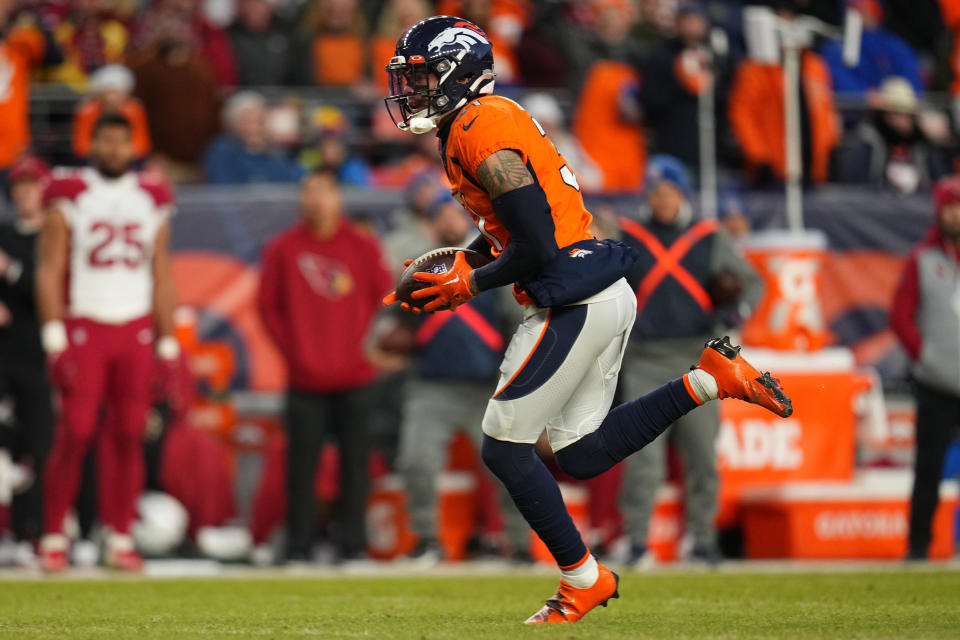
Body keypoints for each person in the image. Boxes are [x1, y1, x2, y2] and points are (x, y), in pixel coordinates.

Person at [381, 15, 792, 625]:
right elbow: (518, 231)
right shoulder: (476, 123)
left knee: (503, 444)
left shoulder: (479, 126)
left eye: (421, 77)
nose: (411, 90)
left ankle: (585, 578)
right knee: (578, 454)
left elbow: (537, 245)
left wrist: (469, 280)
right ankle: (709, 379)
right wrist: (469, 258)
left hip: (573, 296)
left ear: (457, 72)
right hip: (596, 290)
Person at [36, 113, 179, 572]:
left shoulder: (150, 197)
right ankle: (55, 533)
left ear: (132, 145)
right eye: (107, 140)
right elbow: (50, 266)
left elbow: (161, 271)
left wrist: (168, 339)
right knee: (75, 431)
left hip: (134, 325)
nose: (115, 149)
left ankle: (118, 536)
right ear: (92, 143)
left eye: (122, 141)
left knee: (130, 432)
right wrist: (53, 333)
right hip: (86, 323)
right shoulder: (70, 192)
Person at [617, 155, 763, 567]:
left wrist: (740, 312)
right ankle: (636, 541)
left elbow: (754, 281)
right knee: (644, 459)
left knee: (702, 455)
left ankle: (701, 540)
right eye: (655, 192)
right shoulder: (631, 237)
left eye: (669, 191)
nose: (661, 199)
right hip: (645, 359)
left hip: (699, 360)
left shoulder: (708, 238)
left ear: (682, 193)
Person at [257, 170, 394, 562]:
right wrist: (295, 352)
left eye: (326, 192)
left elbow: (380, 298)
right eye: (310, 192)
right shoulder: (282, 248)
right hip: (303, 379)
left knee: (356, 465)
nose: (318, 200)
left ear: (339, 198)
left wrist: (363, 348)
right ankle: (299, 547)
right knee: (300, 468)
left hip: (355, 377)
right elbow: (268, 307)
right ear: (302, 199)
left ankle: (351, 546)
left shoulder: (362, 247)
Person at [394, 193, 528, 564]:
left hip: (486, 386)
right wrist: (396, 338)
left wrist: (515, 377)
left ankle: (519, 543)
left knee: (508, 469)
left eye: (458, 214)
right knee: (417, 461)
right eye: (444, 215)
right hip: (431, 385)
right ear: (434, 222)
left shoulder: (492, 267)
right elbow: (397, 322)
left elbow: (515, 323)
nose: (451, 221)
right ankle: (425, 540)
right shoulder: (416, 270)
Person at [890, 175, 960, 560]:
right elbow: (901, 317)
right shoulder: (923, 259)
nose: (956, 214)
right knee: (928, 469)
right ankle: (918, 546)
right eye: (950, 206)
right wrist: (927, 357)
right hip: (936, 381)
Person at [0, 156, 55, 568]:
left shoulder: (54, 236)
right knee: (8, 448)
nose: (24, 193)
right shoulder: (4, 232)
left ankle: (35, 531)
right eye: (19, 186)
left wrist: (12, 271)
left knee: (39, 449)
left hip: (41, 358)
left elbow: (46, 290)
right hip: (5, 356)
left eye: (32, 185)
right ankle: (12, 532)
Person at [727, 6, 839, 185]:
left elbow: (825, 111)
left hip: (814, 167)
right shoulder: (757, 68)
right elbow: (742, 115)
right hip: (773, 168)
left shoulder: (815, 65)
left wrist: (829, 150)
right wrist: (759, 157)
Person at [639, 1, 733, 173]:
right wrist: (683, 81)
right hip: (674, 149)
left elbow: (730, 99)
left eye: (696, 20)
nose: (691, 26)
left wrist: (709, 82)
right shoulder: (661, 55)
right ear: (677, 23)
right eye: (686, 20)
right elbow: (650, 102)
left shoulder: (718, 54)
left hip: (712, 151)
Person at [836, 77, 947, 194]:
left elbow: (941, 181)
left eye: (906, 114)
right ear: (884, 115)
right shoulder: (866, 144)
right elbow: (855, 188)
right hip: (877, 208)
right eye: (895, 113)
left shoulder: (922, 145)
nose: (902, 120)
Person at [820, 0, 923, 97]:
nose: (864, 12)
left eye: (869, 7)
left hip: (895, 108)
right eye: (856, 8)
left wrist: (895, 97)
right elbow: (838, 79)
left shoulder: (893, 45)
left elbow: (913, 83)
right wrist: (865, 96)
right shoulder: (836, 48)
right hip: (855, 111)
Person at [203, 91, 304, 185]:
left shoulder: (275, 150)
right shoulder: (222, 151)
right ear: (234, 124)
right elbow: (224, 189)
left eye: (260, 121)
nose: (255, 128)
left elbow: (296, 176)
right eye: (248, 121)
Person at [72, 64, 152, 162]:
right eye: (108, 93)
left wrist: (122, 152)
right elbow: (81, 145)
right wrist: (104, 150)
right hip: (94, 159)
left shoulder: (134, 110)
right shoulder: (86, 111)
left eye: (116, 93)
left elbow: (142, 144)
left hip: (129, 160)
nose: (111, 98)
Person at [227, 0, 311, 86]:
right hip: (242, 95)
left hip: (284, 95)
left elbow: (301, 76)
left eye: (258, 3)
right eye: (247, 3)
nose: (253, 8)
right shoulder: (227, 36)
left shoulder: (289, 33)